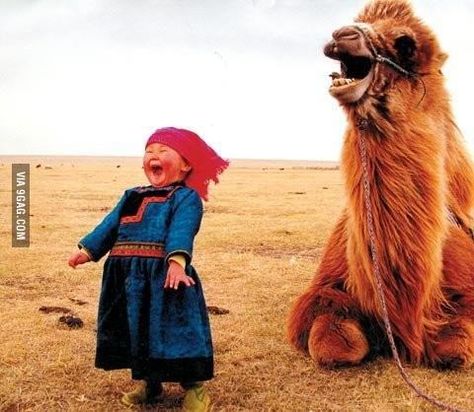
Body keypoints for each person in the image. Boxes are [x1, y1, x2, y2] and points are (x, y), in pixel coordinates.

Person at [68, 127, 229, 411]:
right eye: (149, 152)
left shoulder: (185, 197)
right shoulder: (132, 194)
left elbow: (183, 230)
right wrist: (87, 250)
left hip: (166, 277)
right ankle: (149, 383)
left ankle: (194, 386)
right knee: (136, 330)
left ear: (186, 164)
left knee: (176, 329)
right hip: (127, 277)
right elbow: (110, 225)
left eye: (163, 151)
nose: (154, 156)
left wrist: (177, 263)